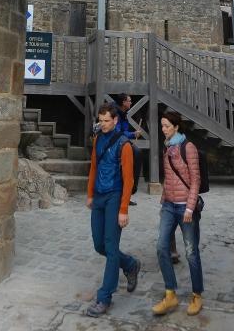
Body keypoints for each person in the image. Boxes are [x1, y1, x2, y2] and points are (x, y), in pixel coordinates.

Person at [85, 102, 141, 317]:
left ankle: (104, 297)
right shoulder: (98, 138)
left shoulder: (124, 145)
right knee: (99, 245)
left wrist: (124, 209)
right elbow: (94, 167)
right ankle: (130, 264)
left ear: (116, 120)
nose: (103, 124)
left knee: (110, 247)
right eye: (100, 120)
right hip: (98, 197)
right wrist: (90, 194)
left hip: (114, 197)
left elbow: (128, 180)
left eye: (107, 120)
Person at [152, 110, 204, 317]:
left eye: (166, 126)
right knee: (161, 247)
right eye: (162, 126)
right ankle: (170, 293)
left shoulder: (187, 147)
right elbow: (170, 177)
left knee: (191, 252)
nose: (163, 129)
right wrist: (164, 196)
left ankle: (197, 294)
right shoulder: (167, 148)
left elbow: (195, 180)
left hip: (185, 207)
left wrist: (190, 208)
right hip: (169, 206)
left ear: (176, 127)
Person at [113, 93, 142, 203]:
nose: (131, 102)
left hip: (121, 139)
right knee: (137, 153)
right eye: (129, 101)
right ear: (123, 102)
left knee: (136, 155)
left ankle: (127, 192)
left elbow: (122, 131)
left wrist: (133, 134)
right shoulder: (115, 113)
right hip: (115, 142)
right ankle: (128, 191)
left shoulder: (123, 113)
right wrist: (132, 134)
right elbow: (117, 132)